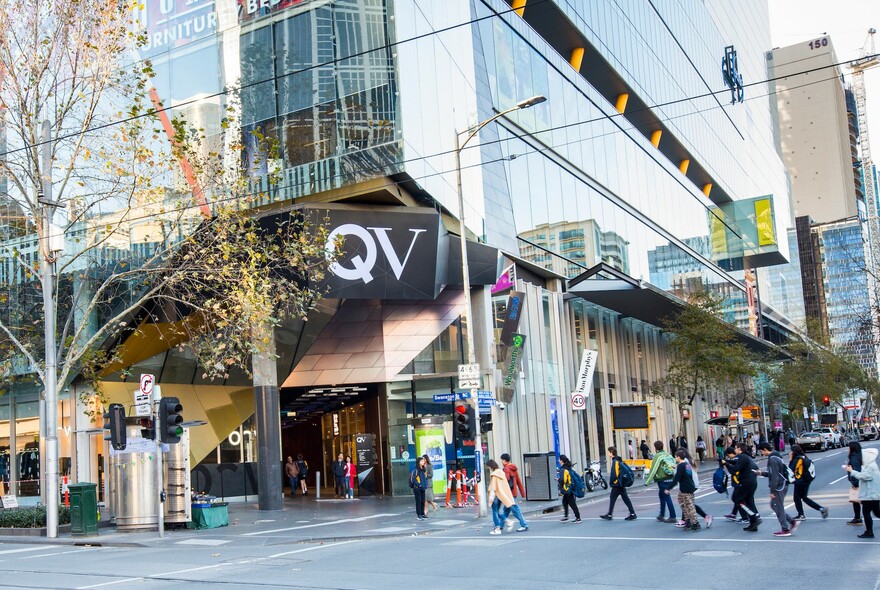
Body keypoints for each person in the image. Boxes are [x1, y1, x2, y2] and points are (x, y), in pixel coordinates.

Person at [757, 442, 799, 537]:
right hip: (782, 484)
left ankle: (785, 529)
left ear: (765, 449)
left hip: (779, 486)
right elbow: (774, 473)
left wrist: (772, 490)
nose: (761, 453)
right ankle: (791, 521)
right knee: (774, 505)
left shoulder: (773, 460)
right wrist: (761, 473)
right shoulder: (776, 456)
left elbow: (775, 476)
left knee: (778, 506)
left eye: (761, 451)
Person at [845, 446, 880, 538]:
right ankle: (869, 531)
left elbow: (865, 476)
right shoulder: (872, 465)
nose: (862, 458)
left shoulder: (870, 467)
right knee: (877, 512)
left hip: (870, 494)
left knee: (866, 513)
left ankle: (869, 532)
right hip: (874, 494)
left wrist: (851, 471)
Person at [724, 444, 760, 531]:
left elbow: (735, 469)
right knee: (749, 500)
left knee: (738, 500)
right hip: (751, 481)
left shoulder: (742, 457)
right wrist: (726, 461)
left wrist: (726, 464)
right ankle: (753, 523)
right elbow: (737, 463)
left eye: (736, 448)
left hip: (746, 482)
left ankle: (753, 517)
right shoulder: (745, 457)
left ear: (739, 449)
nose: (734, 449)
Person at [487, 459, 528, 534]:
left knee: (512, 510)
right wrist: (522, 493)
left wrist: (490, 499)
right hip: (508, 493)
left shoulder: (502, 471)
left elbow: (493, 487)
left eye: (502, 460)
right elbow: (517, 481)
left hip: (502, 494)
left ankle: (500, 527)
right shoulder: (503, 471)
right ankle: (504, 524)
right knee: (504, 511)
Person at [790, 444, 829, 521]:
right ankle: (821, 509)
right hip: (806, 481)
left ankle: (801, 515)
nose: (790, 452)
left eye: (791, 451)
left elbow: (791, 469)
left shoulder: (797, 459)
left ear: (794, 452)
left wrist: (791, 459)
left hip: (799, 482)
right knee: (804, 498)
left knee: (797, 498)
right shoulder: (804, 458)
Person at [665, 449, 699, 531]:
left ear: (679, 457)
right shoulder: (687, 464)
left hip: (685, 488)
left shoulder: (681, 466)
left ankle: (695, 523)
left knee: (689, 506)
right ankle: (688, 520)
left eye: (675, 457)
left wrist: (668, 488)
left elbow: (676, 478)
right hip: (689, 486)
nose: (675, 458)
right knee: (684, 504)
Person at [600, 446, 637, 521]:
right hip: (621, 483)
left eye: (609, 452)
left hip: (617, 484)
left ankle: (610, 514)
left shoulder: (615, 461)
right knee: (625, 498)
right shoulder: (619, 460)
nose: (608, 454)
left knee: (613, 498)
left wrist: (612, 482)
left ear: (611, 452)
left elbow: (615, 473)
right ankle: (632, 513)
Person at [645, 440, 676, 523]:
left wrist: (647, 481)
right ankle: (661, 514)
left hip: (662, 479)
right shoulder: (667, 454)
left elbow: (654, 469)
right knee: (662, 495)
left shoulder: (657, 456)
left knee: (666, 496)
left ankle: (672, 516)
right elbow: (674, 464)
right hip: (670, 477)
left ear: (655, 448)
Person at [557, 454, 581, 523]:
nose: (558, 461)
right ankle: (566, 516)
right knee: (565, 502)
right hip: (570, 488)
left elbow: (562, 480)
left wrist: (558, 480)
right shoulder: (568, 467)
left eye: (559, 459)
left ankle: (578, 518)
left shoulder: (563, 469)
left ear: (561, 461)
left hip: (567, 489)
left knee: (572, 504)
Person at [847, 441, 863, 526]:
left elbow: (855, 471)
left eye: (849, 448)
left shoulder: (854, 459)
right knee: (856, 501)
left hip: (859, 483)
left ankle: (858, 518)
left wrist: (855, 484)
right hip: (861, 481)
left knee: (866, 504)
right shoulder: (859, 456)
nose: (848, 450)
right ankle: (857, 518)